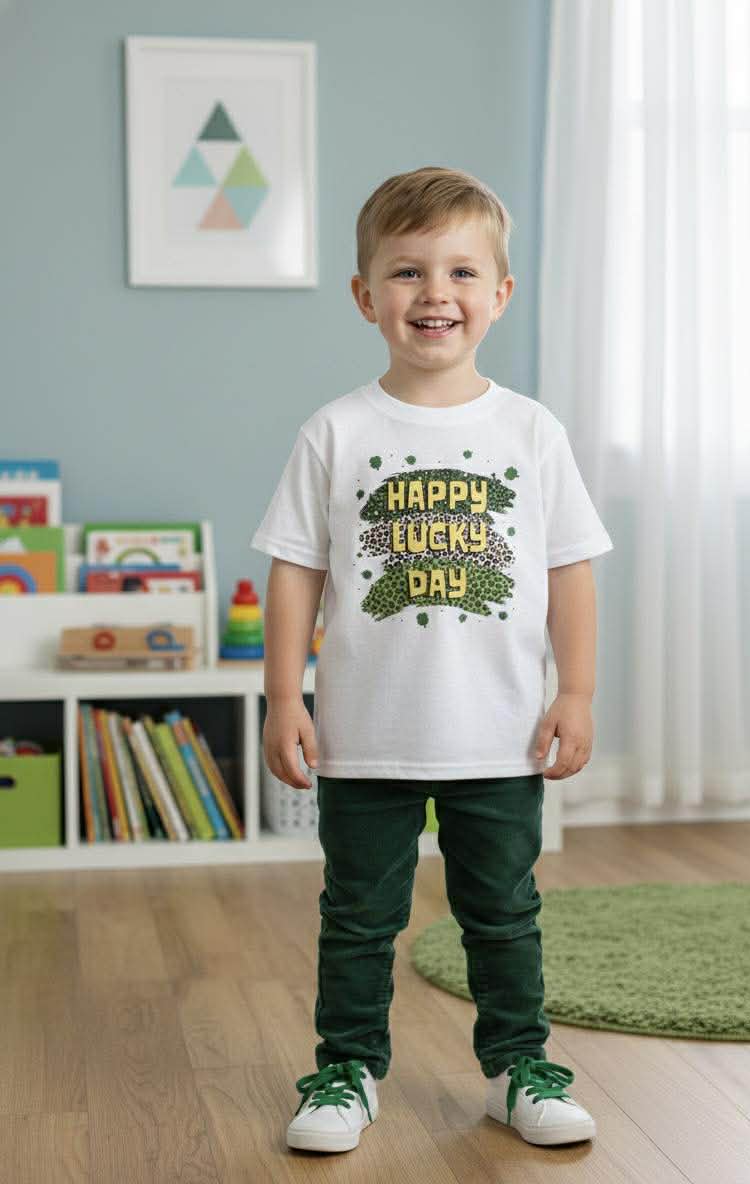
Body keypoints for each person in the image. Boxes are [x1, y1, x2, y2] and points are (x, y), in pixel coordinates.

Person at [251, 166, 613, 1155]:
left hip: (497, 735)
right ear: (367, 296)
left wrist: (574, 689)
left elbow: (569, 570)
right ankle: (347, 1065)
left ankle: (517, 1063)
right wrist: (285, 694)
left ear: (500, 293)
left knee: (503, 912)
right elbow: (295, 573)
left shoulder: (529, 430)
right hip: (365, 737)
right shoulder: (336, 430)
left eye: (460, 270)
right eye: (407, 271)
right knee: (356, 916)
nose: (435, 292)